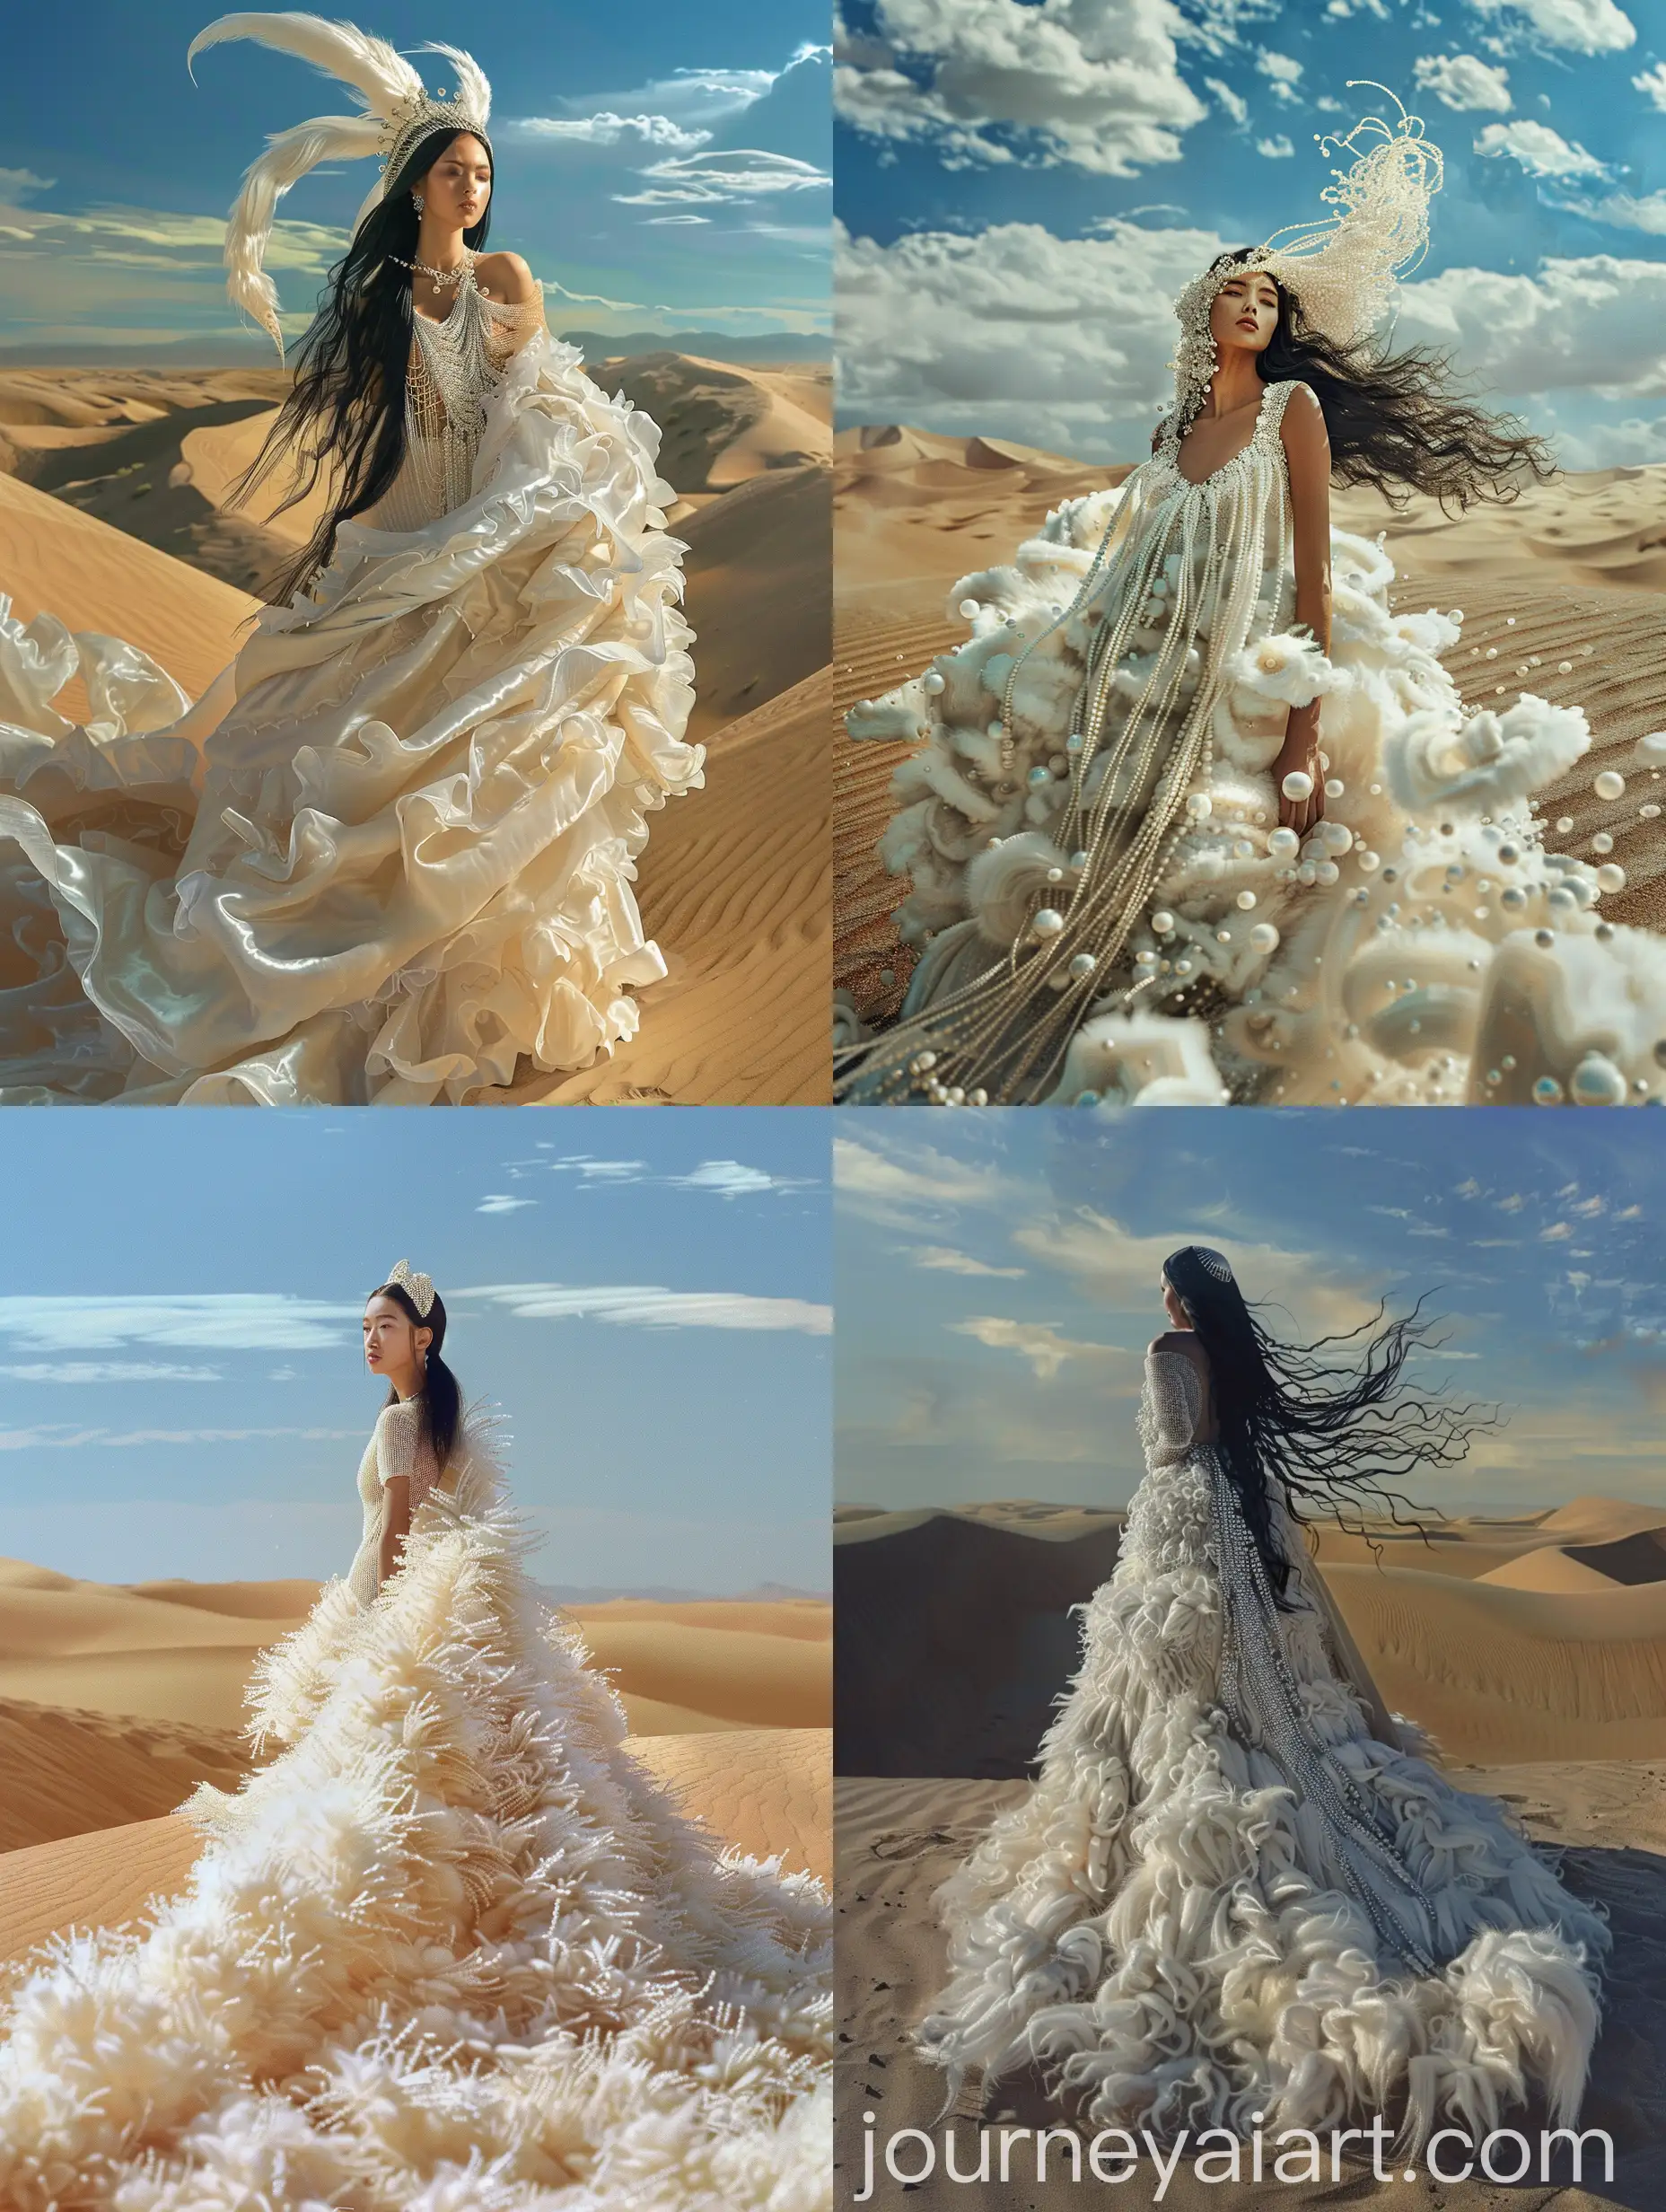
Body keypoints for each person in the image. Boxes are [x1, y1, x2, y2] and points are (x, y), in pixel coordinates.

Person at [836, 91, 1664, 1108]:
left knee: (1227, 873)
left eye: (1267, 300)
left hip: (1252, 672)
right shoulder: (1167, 435)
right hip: (1144, 676)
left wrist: (1303, 739)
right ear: (1203, 308)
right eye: (1235, 293)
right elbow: (1128, 567)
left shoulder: (1292, 409)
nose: (1251, 308)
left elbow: (1311, 574)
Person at [0, 1259, 830, 2207]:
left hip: (392, 1609)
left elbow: (397, 1531)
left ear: (423, 1338)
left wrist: (380, 1629)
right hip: (442, 1611)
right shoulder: (448, 1419)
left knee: (377, 1790)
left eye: (382, 1326)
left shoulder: (403, 1422)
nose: (367, 1339)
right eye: (362, 1326)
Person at [0, 14, 701, 1103]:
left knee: (481, 768)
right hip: (395, 551)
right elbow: (386, 453)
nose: (473, 188)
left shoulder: (504, 278)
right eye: (455, 173)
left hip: (488, 560)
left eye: (482, 173)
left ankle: (465, 978)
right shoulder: (382, 302)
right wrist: (344, 561)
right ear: (416, 185)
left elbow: (541, 420)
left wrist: (502, 542)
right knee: (294, 742)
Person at [908, 1246, 1607, 2154]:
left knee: (1168, 1697)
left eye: (1164, 1283)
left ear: (1175, 1296)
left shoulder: (1168, 1349)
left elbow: (1170, 1442)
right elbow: (1215, 1438)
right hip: (1244, 1515)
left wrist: (1165, 1463)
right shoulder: (1231, 1362)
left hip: (1180, 1522)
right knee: (1267, 1692)